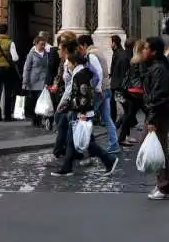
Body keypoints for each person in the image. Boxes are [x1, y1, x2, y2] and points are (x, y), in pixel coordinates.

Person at [50, 40, 118, 177]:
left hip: (81, 113)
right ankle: (67, 167)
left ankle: (109, 159)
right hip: (78, 111)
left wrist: (82, 113)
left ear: (74, 63)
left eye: (68, 63)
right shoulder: (80, 73)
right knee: (71, 140)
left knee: (86, 143)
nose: (67, 65)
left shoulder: (80, 75)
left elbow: (83, 95)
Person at [142, 37, 169, 200]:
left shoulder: (159, 70)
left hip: (159, 115)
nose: (143, 51)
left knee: (159, 150)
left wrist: (152, 120)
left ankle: (164, 186)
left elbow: (159, 96)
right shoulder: (156, 67)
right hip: (159, 113)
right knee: (159, 149)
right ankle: (163, 184)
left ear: (154, 51)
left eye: (146, 48)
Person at [118, 40, 147, 147]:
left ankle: (122, 136)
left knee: (130, 114)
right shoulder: (142, 61)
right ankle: (151, 137)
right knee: (150, 113)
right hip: (138, 91)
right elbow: (143, 76)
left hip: (131, 90)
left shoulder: (133, 59)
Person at [22, 35, 50, 127]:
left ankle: (39, 120)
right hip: (33, 82)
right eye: (41, 44)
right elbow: (27, 68)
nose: (43, 46)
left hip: (43, 81)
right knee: (33, 102)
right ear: (36, 44)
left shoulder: (47, 54)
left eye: (44, 45)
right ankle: (34, 120)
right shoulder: (31, 54)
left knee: (41, 102)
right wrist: (25, 81)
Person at [109, 35, 129, 123]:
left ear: (114, 43)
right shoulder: (117, 53)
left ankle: (122, 121)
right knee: (114, 103)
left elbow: (122, 70)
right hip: (116, 83)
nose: (109, 44)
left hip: (118, 84)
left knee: (122, 104)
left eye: (110, 42)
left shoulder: (120, 54)